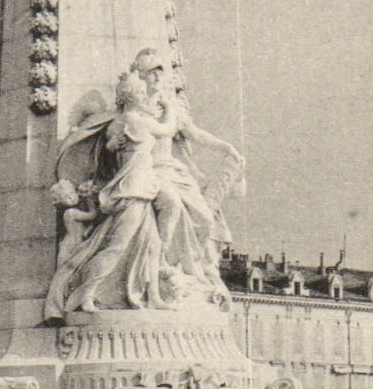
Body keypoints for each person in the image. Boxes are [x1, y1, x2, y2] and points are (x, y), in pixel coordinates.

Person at [44, 73, 175, 318]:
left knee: (153, 245)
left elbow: (109, 154)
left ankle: (154, 296)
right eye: (139, 92)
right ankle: (85, 293)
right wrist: (170, 106)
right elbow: (168, 128)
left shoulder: (116, 124)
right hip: (134, 191)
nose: (143, 96)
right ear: (128, 98)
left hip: (138, 190)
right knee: (115, 248)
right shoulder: (138, 121)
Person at [130, 48, 245, 295]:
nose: (157, 77)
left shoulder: (170, 107)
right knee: (171, 204)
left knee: (204, 217)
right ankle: (160, 260)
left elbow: (195, 134)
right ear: (141, 76)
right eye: (151, 72)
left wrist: (226, 147)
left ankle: (189, 268)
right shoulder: (137, 107)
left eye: (160, 71)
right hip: (151, 170)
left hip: (174, 170)